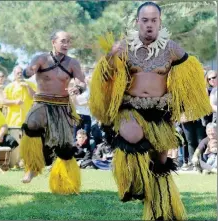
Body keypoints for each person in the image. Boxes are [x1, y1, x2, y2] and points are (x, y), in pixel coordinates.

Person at [89, 2, 211, 220]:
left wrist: (181, 104)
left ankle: (162, 210)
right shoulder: (125, 47)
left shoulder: (172, 48)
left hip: (160, 111)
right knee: (133, 135)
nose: (149, 25)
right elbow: (105, 78)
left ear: (159, 22)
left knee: (161, 162)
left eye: (154, 20)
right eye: (145, 20)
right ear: (138, 22)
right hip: (130, 108)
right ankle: (133, 184)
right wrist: (109, 57)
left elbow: (190, 74)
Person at [20, 30, 86, 195]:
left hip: (62, 106)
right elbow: (28, 71)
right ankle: (32, 167)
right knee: (31, 124)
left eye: (68, 41)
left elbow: (81, 82)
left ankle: (65, 184)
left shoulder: (73, 63)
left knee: (64, 146)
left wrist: (78, 88)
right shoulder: (41, 58)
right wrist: (28, 71)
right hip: (42, 102)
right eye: (63, 41)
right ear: (53, 42)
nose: (66, 44)